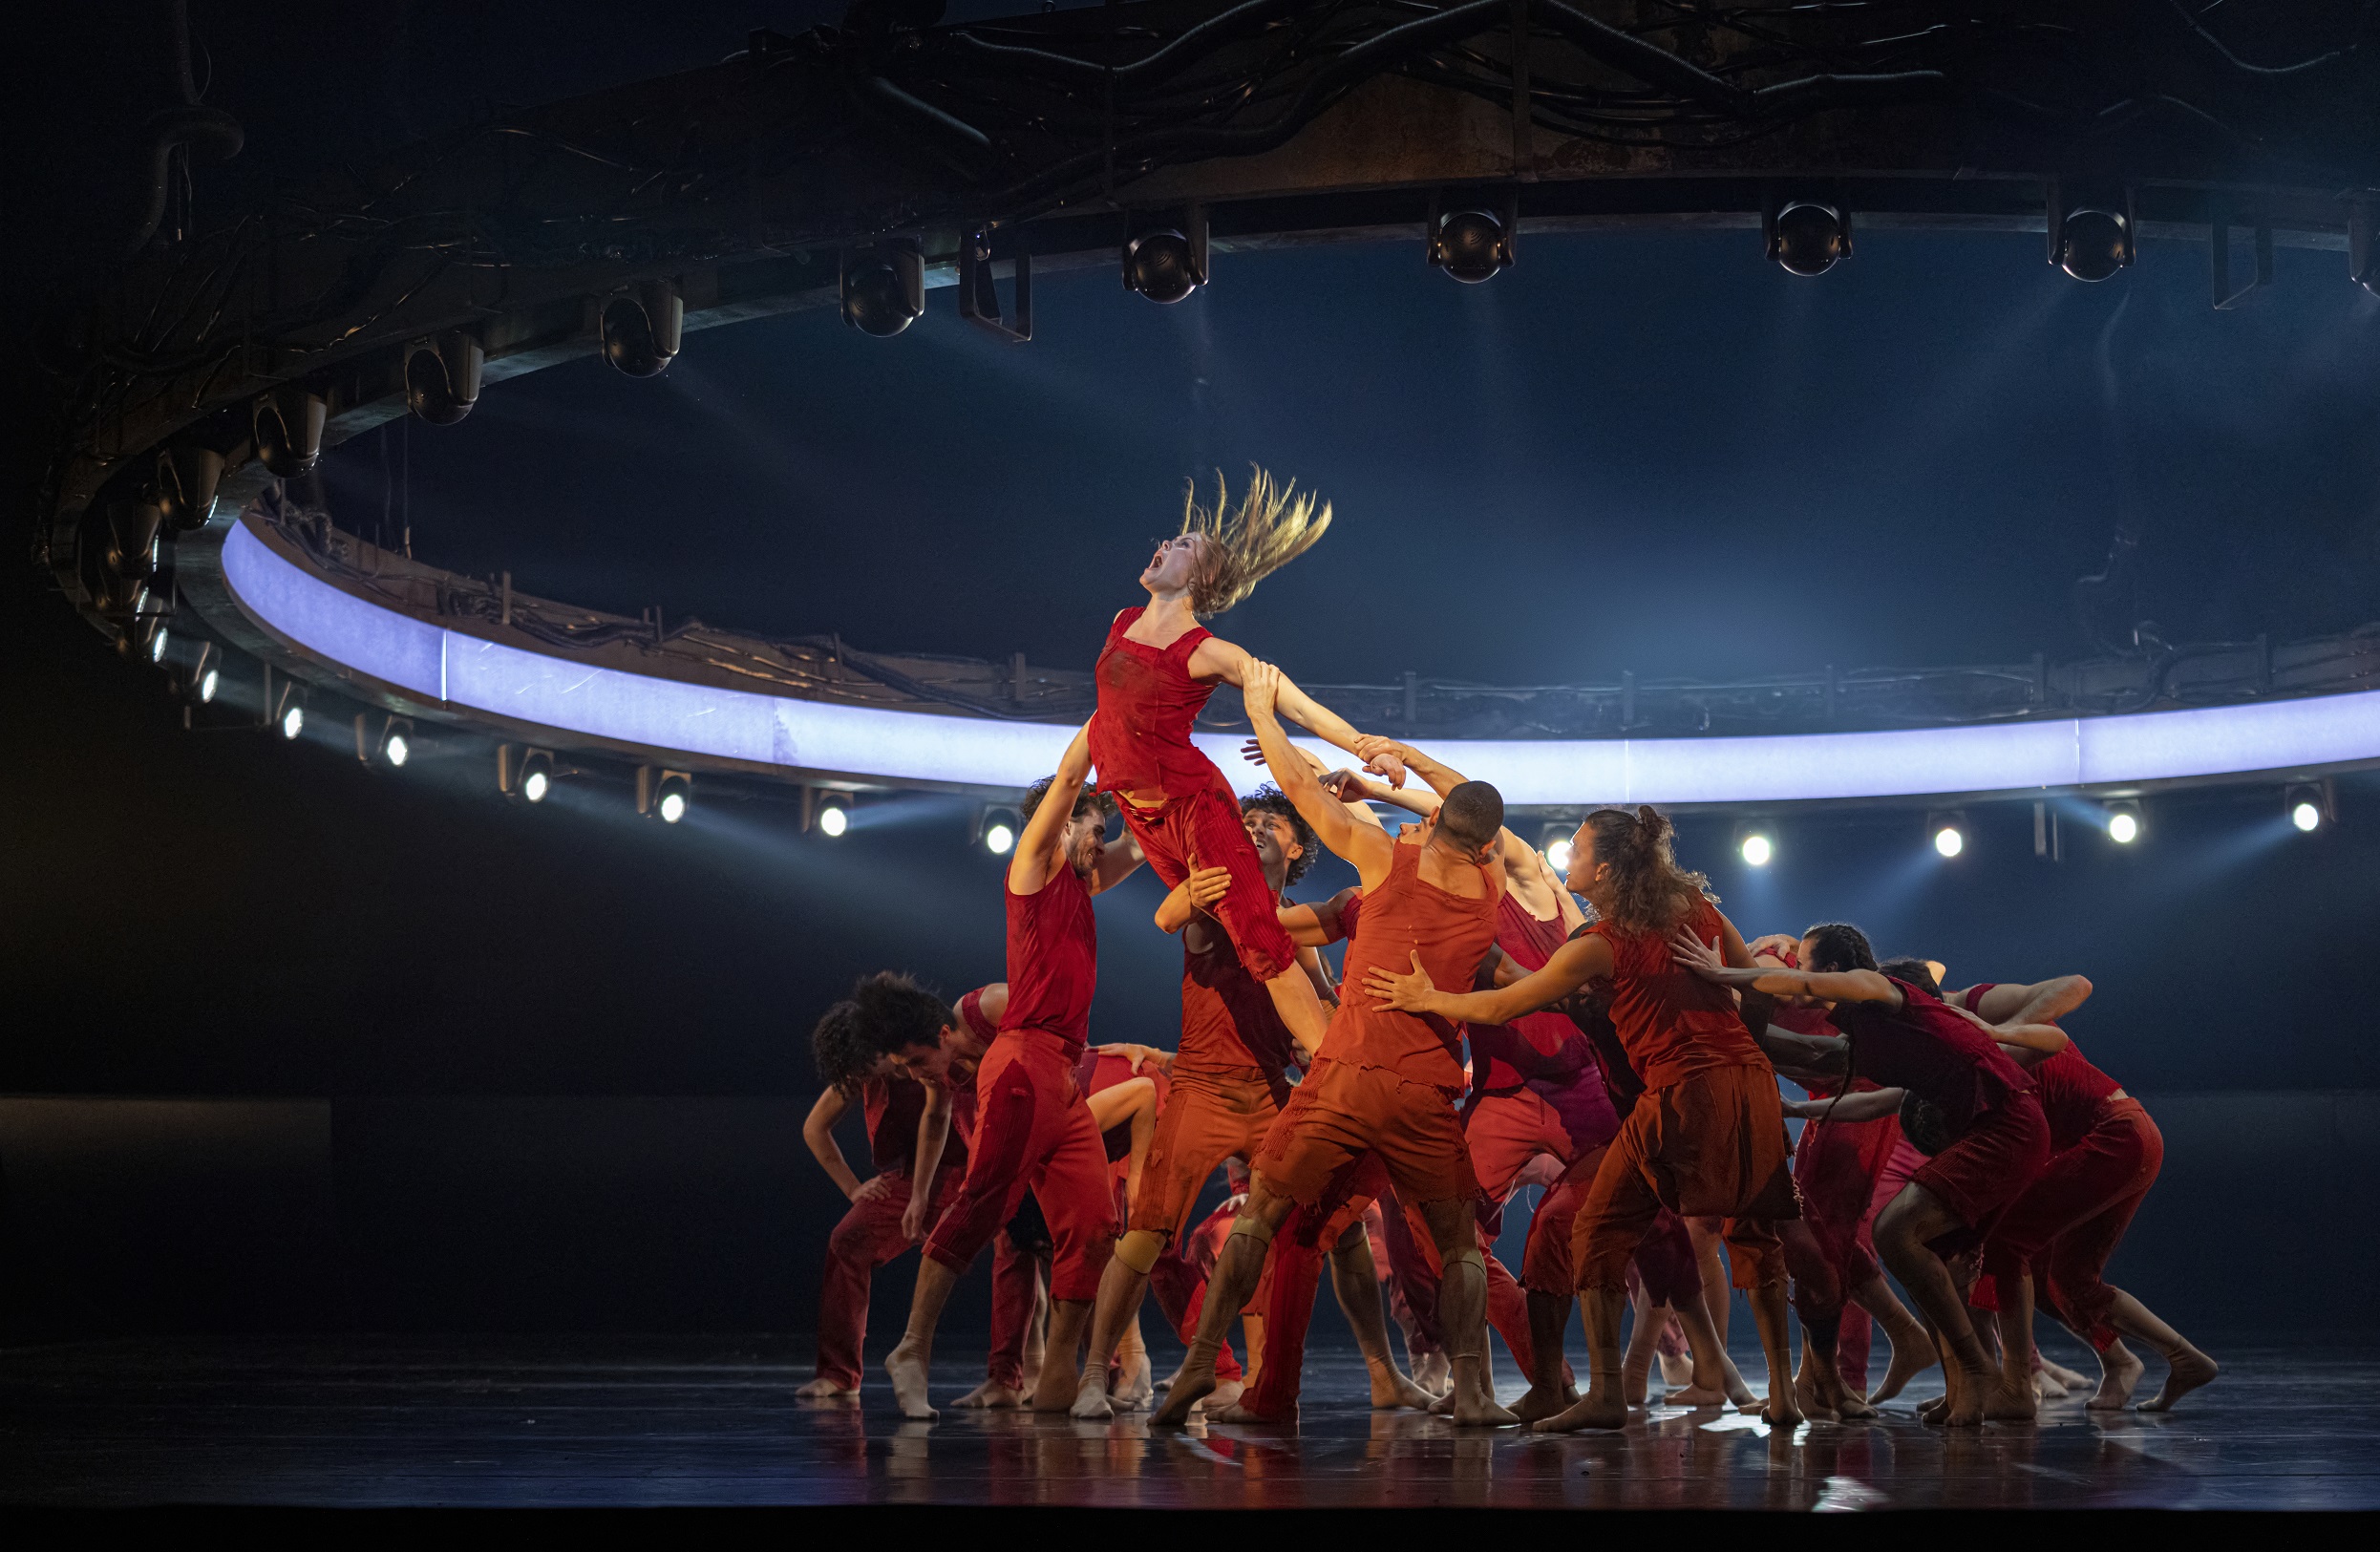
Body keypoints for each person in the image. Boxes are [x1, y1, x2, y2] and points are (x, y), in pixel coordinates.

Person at [1153, 664, 1519, 1428]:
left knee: (1261, 1214)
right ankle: (1473, 1389)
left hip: (1348, 1077)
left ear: (1434, 826)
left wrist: (1265, 716)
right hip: (1425, 1092)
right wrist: (1399, 763)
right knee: (1457, 1245)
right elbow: (1466, 801)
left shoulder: (1387, 860)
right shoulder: (1488, 886)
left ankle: (1197, 1367)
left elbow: (1304, 793)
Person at [1365, 806, 1805, 1432]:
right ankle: (1782, 1396)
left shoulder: (1602, 943)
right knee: (1756, 1239)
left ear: (1603, 869)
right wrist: (1741, 1036)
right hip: (1749, 1085)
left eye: (1575, 848)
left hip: (1678, 1095)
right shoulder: (1697, 910)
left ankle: (1604, 1394)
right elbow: (1757, 990)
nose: (1566, 857)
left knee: (1595, 1229)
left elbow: (1508, 1003)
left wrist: (1427, 996)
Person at [857, 729, 1144, 1419]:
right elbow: (1069, 780)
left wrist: (1157, 767)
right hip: (1022, 1062)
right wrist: (1107, 719)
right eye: (1092, 829)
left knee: (1096, 1226)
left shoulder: (1081, 882)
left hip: (1063, 1075)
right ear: (1063, 822)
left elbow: (1139, 845)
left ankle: (1062, 1376)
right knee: (984, 1202)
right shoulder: (1033, 868)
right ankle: (912, 1348)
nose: (1099, 842)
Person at [1671, 930, 2066, 1426]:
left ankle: (1973, 1368)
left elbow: (1806, 992)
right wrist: (1786, 1094)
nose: (1797, 969)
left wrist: (1725, 973)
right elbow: (1815, 1056)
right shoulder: (1869, 1035)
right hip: (1985, 1132)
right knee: (1931, 1256)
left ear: (1835, 970)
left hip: (2006, 1130)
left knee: (1892, 1233)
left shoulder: (1884, 991)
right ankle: (1961, 1378)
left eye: (1805, 963)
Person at [1088, 469, 1403, 1061]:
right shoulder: (1122, 621)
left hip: (1192, 808)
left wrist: (1368, 747)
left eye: (1185, 544)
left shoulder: (1208, 651)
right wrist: (1067, 783)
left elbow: (1297, 705)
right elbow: (1103, 721)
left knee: (1263, 945)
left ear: (1203, 577)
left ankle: (1333, 1071)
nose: (1166, 543)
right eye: (1172, 538)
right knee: (1213, 930)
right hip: (1140, 813)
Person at [1073, 787, 1330, 1419]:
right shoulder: (1215, 897)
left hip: (1270, 1094)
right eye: (1249, 820)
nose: (1256, 826)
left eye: (1271, 822)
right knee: (1145, 1234)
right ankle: (1093, 1374)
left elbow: (1322, 1007)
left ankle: (1260, 1381)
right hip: (1203, 1092)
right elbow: (1168, 917)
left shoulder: (1297, 922)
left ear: (1298, 847)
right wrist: (1195, 882)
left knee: (1297, 1235)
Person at [1948, 984, 2218, 1413]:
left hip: (2111, 1137)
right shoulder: (1971, 1047)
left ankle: (2014, 1384)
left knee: (2002, 1246)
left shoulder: (1983, 1040)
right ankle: (2174, 1359)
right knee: (2062, 1280)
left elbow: (2071, 995)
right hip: (2123, 1136)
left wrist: (1995, 1032)